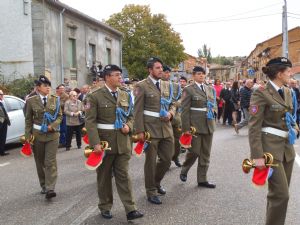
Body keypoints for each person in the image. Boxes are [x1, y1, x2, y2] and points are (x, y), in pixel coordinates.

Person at [85, 64, 143, 221]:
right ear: (107, 77)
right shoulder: (95, 95)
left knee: (123, 176)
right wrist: (95, 143)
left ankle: (131, 209)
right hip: (105, 143)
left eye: (120, 75)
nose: (120, 77)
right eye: (117, 75)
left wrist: (128, 126)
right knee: (104, 177)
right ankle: (105, 206)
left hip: (123, 141)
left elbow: (131, 116)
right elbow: (90, 122)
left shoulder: (124, 94)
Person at [248, 57, 298, 225]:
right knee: (282, 195)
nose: (291, 75)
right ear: (279, 73)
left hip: (287, 149)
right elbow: (254, 127)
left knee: (277, 195)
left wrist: (295, 127)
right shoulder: (261, 92)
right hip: (270, 150)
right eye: (288, 72)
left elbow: (289, 116)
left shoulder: (287, 91)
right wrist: (257, 157)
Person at [133, 57, 175, 205]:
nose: (161, 70)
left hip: (166, 128)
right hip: (150, 129)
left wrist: (171, 113)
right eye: (157, 68)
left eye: (161, 68)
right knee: (150, 162)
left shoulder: (166, 85)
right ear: (150, 70)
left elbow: (172, 103)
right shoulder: (141, 86)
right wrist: (140, 131)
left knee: (167, 159)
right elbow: (137, 110)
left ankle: (156, 182)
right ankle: (150, 190)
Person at [25, 75, 62, 199]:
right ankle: (44, 185)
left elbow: (60, 117)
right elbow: (28, 120)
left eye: (48, 86)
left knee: (49, 161)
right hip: (38, 135)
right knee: (40, 162)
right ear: (38, 88)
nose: (47, 88)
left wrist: (53, 125)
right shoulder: (31, 101)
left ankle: (50, 188)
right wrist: (27, 137)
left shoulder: (55, 99)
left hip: (52, 135)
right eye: (45, 86)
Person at [179, 66, 216, 188]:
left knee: (205, 153)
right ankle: (185, 169)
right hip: (195, 126)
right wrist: (186, 129)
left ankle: (202, 179)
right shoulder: (189, 90)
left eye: (203, 74)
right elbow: (184, 110)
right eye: (199, 74)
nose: (201, 76)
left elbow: (213, 105)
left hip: (208, 124)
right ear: (193, 75)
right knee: (194, 151)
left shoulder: (209, 89)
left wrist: (213, 112)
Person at [162, 65, 182, 167]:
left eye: (169, 72)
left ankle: (175, 157)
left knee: (177, 141)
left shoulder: (176, 86)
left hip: (176, 117)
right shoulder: (159, 85)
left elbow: (181, 98)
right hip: (164, 117)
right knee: (167, 141)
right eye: (165, 72)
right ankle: (166, 159)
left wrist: (175, 104)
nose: (167, 74)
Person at [0, 90, 11, 156]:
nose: (2, 96)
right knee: (2, 137)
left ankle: (2, 151)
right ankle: (2, 152)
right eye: (1, 94)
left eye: (2, 94)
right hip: (1, 123)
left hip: (3, 123)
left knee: (2, 137)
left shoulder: (1, 103)